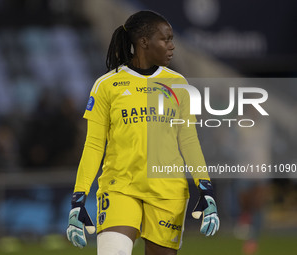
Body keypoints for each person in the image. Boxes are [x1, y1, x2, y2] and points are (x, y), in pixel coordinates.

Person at [67, 10, 220, 255]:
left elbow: (189, 140)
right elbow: (94, 145)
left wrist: (206, 189)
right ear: (144, 42)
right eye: (166, 39)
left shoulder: (178, 84)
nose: (172, 46)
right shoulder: (107, 85)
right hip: (120, 187)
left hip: (167, 192)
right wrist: (78, 198)